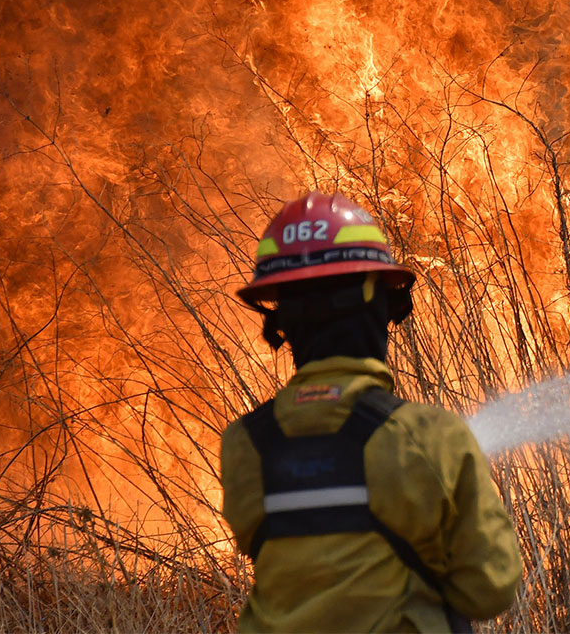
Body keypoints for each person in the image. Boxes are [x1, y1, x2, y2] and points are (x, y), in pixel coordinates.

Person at [220, 191, 522, 633]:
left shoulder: (244, 444)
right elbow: (489, 588)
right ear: (374, 303)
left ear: (281, 318)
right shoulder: (429, 437)